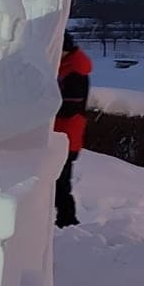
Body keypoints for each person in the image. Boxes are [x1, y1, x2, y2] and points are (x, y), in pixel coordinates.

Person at [53, 32, 91, 228]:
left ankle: (68, 222)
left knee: (60, 181)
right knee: (57, 180)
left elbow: (70, 106)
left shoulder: (75, 71)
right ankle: (64, 220)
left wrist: (45, 107)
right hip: (63, 133)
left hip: (67, 135)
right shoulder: (65, 67)